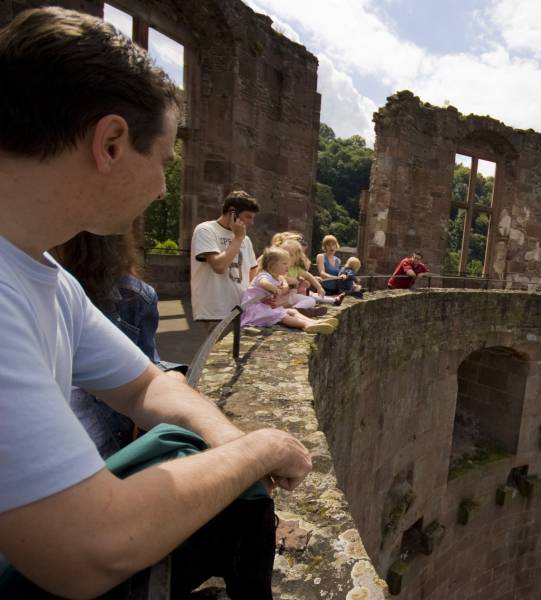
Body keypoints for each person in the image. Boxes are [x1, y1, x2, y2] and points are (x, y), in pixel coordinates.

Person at [0, 8, 311, 598]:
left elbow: (147, 385)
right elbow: (87, 548)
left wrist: (231, 444)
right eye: (164, 161)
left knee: (186, 441)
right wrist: (259, 449)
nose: (166, 186)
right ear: (111, 143)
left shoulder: (45, 275)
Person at [52, 231, 187, 458]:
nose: (163, 193)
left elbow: (143, 378)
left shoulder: (129, 295)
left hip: (109, 456)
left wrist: (167, 377)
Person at [190, 190, 260, 329]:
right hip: (217, 310)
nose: (251, 222)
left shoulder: (246, 239)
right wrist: (238, 238)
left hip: (242, 308)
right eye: (248, 217)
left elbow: (252, 273)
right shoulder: (206, 230)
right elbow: (219, 266)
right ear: (232, 212)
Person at [240, 246, 336, 334]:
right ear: (272, 264)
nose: (288, 266)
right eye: (284, 263)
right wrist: (273, 288)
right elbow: (263, 283)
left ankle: (314, 322)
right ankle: (306, 325)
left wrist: (285, 286)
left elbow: (284, 282)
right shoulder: (264, 275)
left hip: (262, 307)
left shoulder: (278, 277)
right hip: (253, 309)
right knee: (282, 315)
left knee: (292, 311)